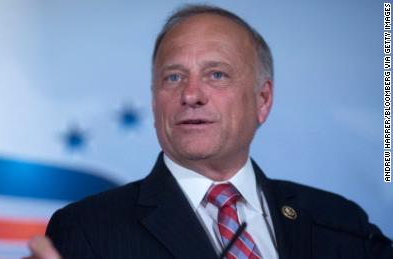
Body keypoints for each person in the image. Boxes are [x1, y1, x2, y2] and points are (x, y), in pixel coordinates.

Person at [26, 4, 393, 259]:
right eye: (173, 77)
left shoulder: (340, 222)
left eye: (216, 74)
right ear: (155, 102)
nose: (190, 94)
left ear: (263, 100)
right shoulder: (87, 230)